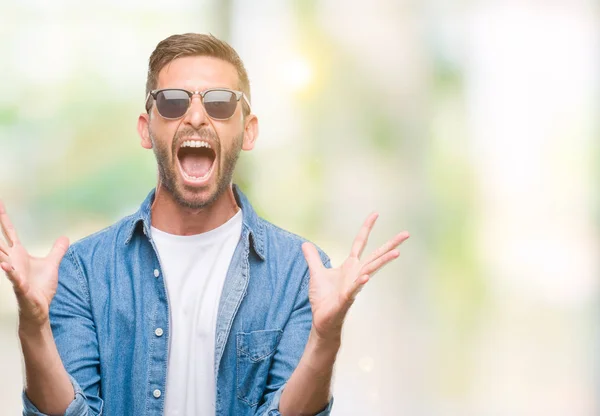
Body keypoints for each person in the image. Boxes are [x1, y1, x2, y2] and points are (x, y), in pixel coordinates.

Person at [0, 33, 409, 416]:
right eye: (174, 102)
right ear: (147, 129)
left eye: (219, 102)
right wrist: (33, 327)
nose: (196, 116)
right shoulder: (83, 271)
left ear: (247, 131)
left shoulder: (299, 271)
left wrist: (326, 337)